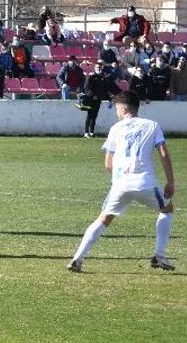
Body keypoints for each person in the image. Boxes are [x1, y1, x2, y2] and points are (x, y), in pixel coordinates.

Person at [69, 92, 175, 272]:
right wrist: (170, 181)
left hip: (120, 184)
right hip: (145, 182)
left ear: (124, 107)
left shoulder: (116, 129)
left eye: (117, 107)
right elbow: (163, 153)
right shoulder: (152, 125)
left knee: (103, 219)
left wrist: (119, 180)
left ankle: (77, 259)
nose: (116, 111)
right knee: (167, 209)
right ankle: (159, 256)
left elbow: (108, 164)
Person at [79, 66, 116, 138]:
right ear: (95, 68)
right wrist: (92, 95)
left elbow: (105, 90)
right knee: (89, 115)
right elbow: (87, 87)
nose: (99, 69)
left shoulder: (102, 78)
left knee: (94, 116)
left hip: (98, 99)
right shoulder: (92, 77)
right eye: (97, 68)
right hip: (91, 99)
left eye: (100, 68)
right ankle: (86, 132)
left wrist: (109, 99)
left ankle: (92, 132)